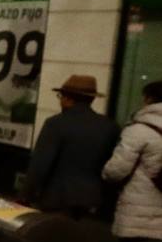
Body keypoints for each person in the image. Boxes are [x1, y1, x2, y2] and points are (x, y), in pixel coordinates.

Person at [25, 74, 120, 215]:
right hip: (92, 200)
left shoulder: (56, 123)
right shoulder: (110, 126)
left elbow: (41, 164)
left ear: (68, 98)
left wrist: (27, 195)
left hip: (57, 197)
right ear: (92, 99)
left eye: (60, 96)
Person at [101, 78, 162, 242]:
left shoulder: (139, 131)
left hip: (137, 214)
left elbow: (116, 171)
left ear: (149, 99)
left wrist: (105, 173)